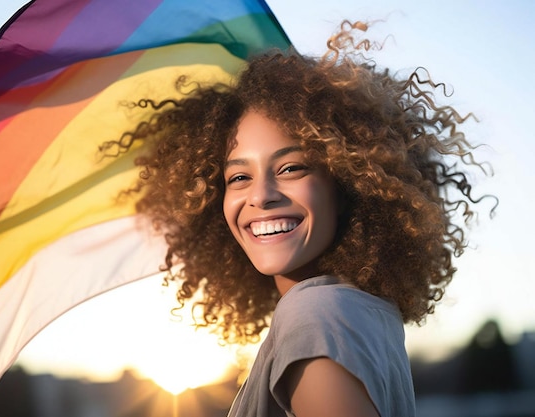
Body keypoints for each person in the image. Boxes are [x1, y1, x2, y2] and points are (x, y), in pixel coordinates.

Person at [102, 20, 494, 417]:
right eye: (239, 177)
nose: (261, 196)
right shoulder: (358, 314)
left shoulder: (317, 317)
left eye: (291, 168)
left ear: (344, 185)